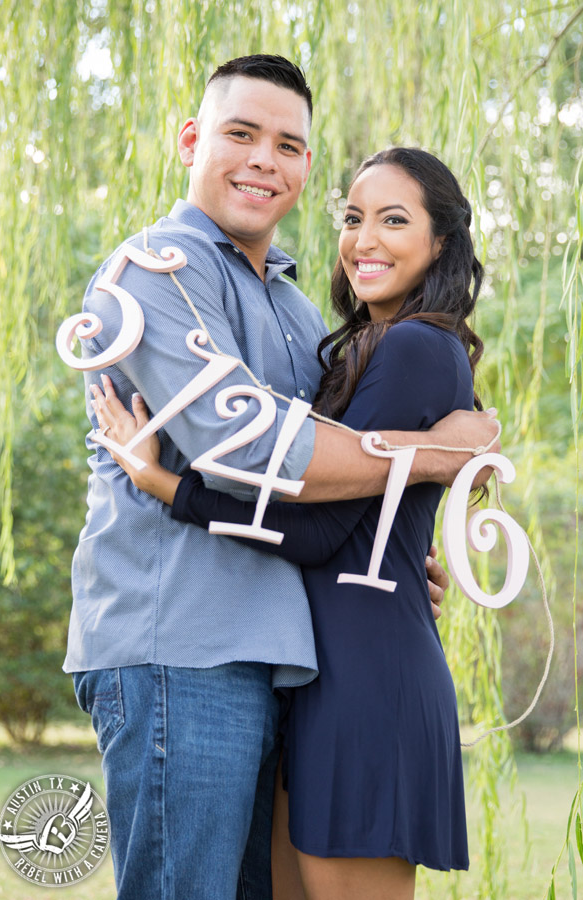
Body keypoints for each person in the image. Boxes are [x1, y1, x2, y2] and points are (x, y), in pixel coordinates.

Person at [68, 54, 498, 900]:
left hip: (283, 663)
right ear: (190, 140)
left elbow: (347, 480)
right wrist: (442, 451)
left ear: (304, 168)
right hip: (180, 648)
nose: (264, 158)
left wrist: (392, 545)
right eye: (240, 134)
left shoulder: (302, 316)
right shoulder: (154, 274)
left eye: (288, 145)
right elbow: (260, 453)